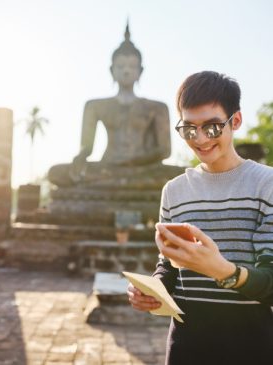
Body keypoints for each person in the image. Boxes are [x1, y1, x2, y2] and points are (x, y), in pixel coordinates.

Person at [127, 71, 273, 365]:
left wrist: (223, 271)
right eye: (189, 129)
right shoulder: (174, 190)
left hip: (250, 345)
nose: (201, 139)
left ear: (236, 121)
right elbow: (168, 265)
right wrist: (154, 289)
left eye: (213, 127)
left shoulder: (266, 185)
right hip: (186, 345)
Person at [48, 25, 171, 187]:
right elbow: (87, 147)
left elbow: (164, 150)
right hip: (107, 167)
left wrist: (133, 162)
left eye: (132, 66)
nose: (126, 71)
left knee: (182, 176)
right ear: (111, 70)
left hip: (143, 169)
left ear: (140, 71)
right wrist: (80, 157)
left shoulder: (157, 108)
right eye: (120, 66)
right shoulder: (95, 106)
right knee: (56, 172)